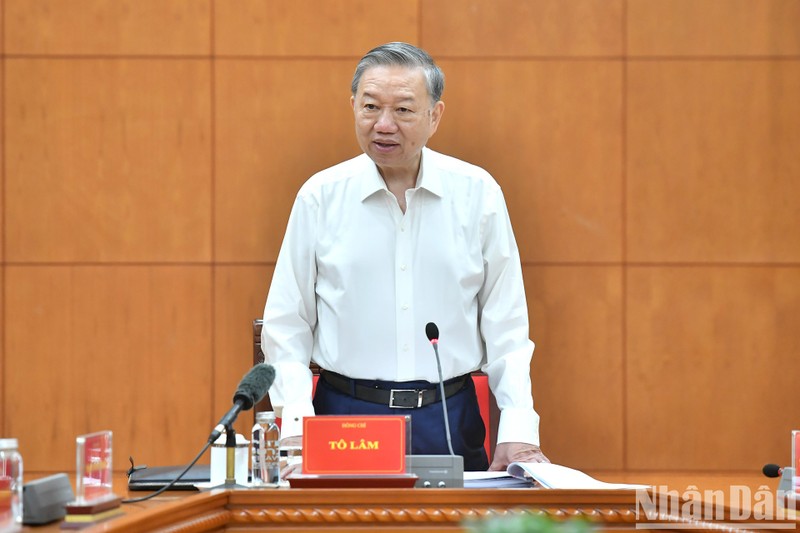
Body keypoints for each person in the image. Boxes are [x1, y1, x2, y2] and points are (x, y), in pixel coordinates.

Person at [261, 42, 548, 472]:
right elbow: (287, 324)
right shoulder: (320, 196)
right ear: (352, 107)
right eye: (370, 107)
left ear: (435, 116)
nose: (384, 125)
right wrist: (297, 423)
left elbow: (506, 324)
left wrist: (519, 428)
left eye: (404, 111)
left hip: (447, 414)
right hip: (345, 416)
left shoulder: (477, 194)